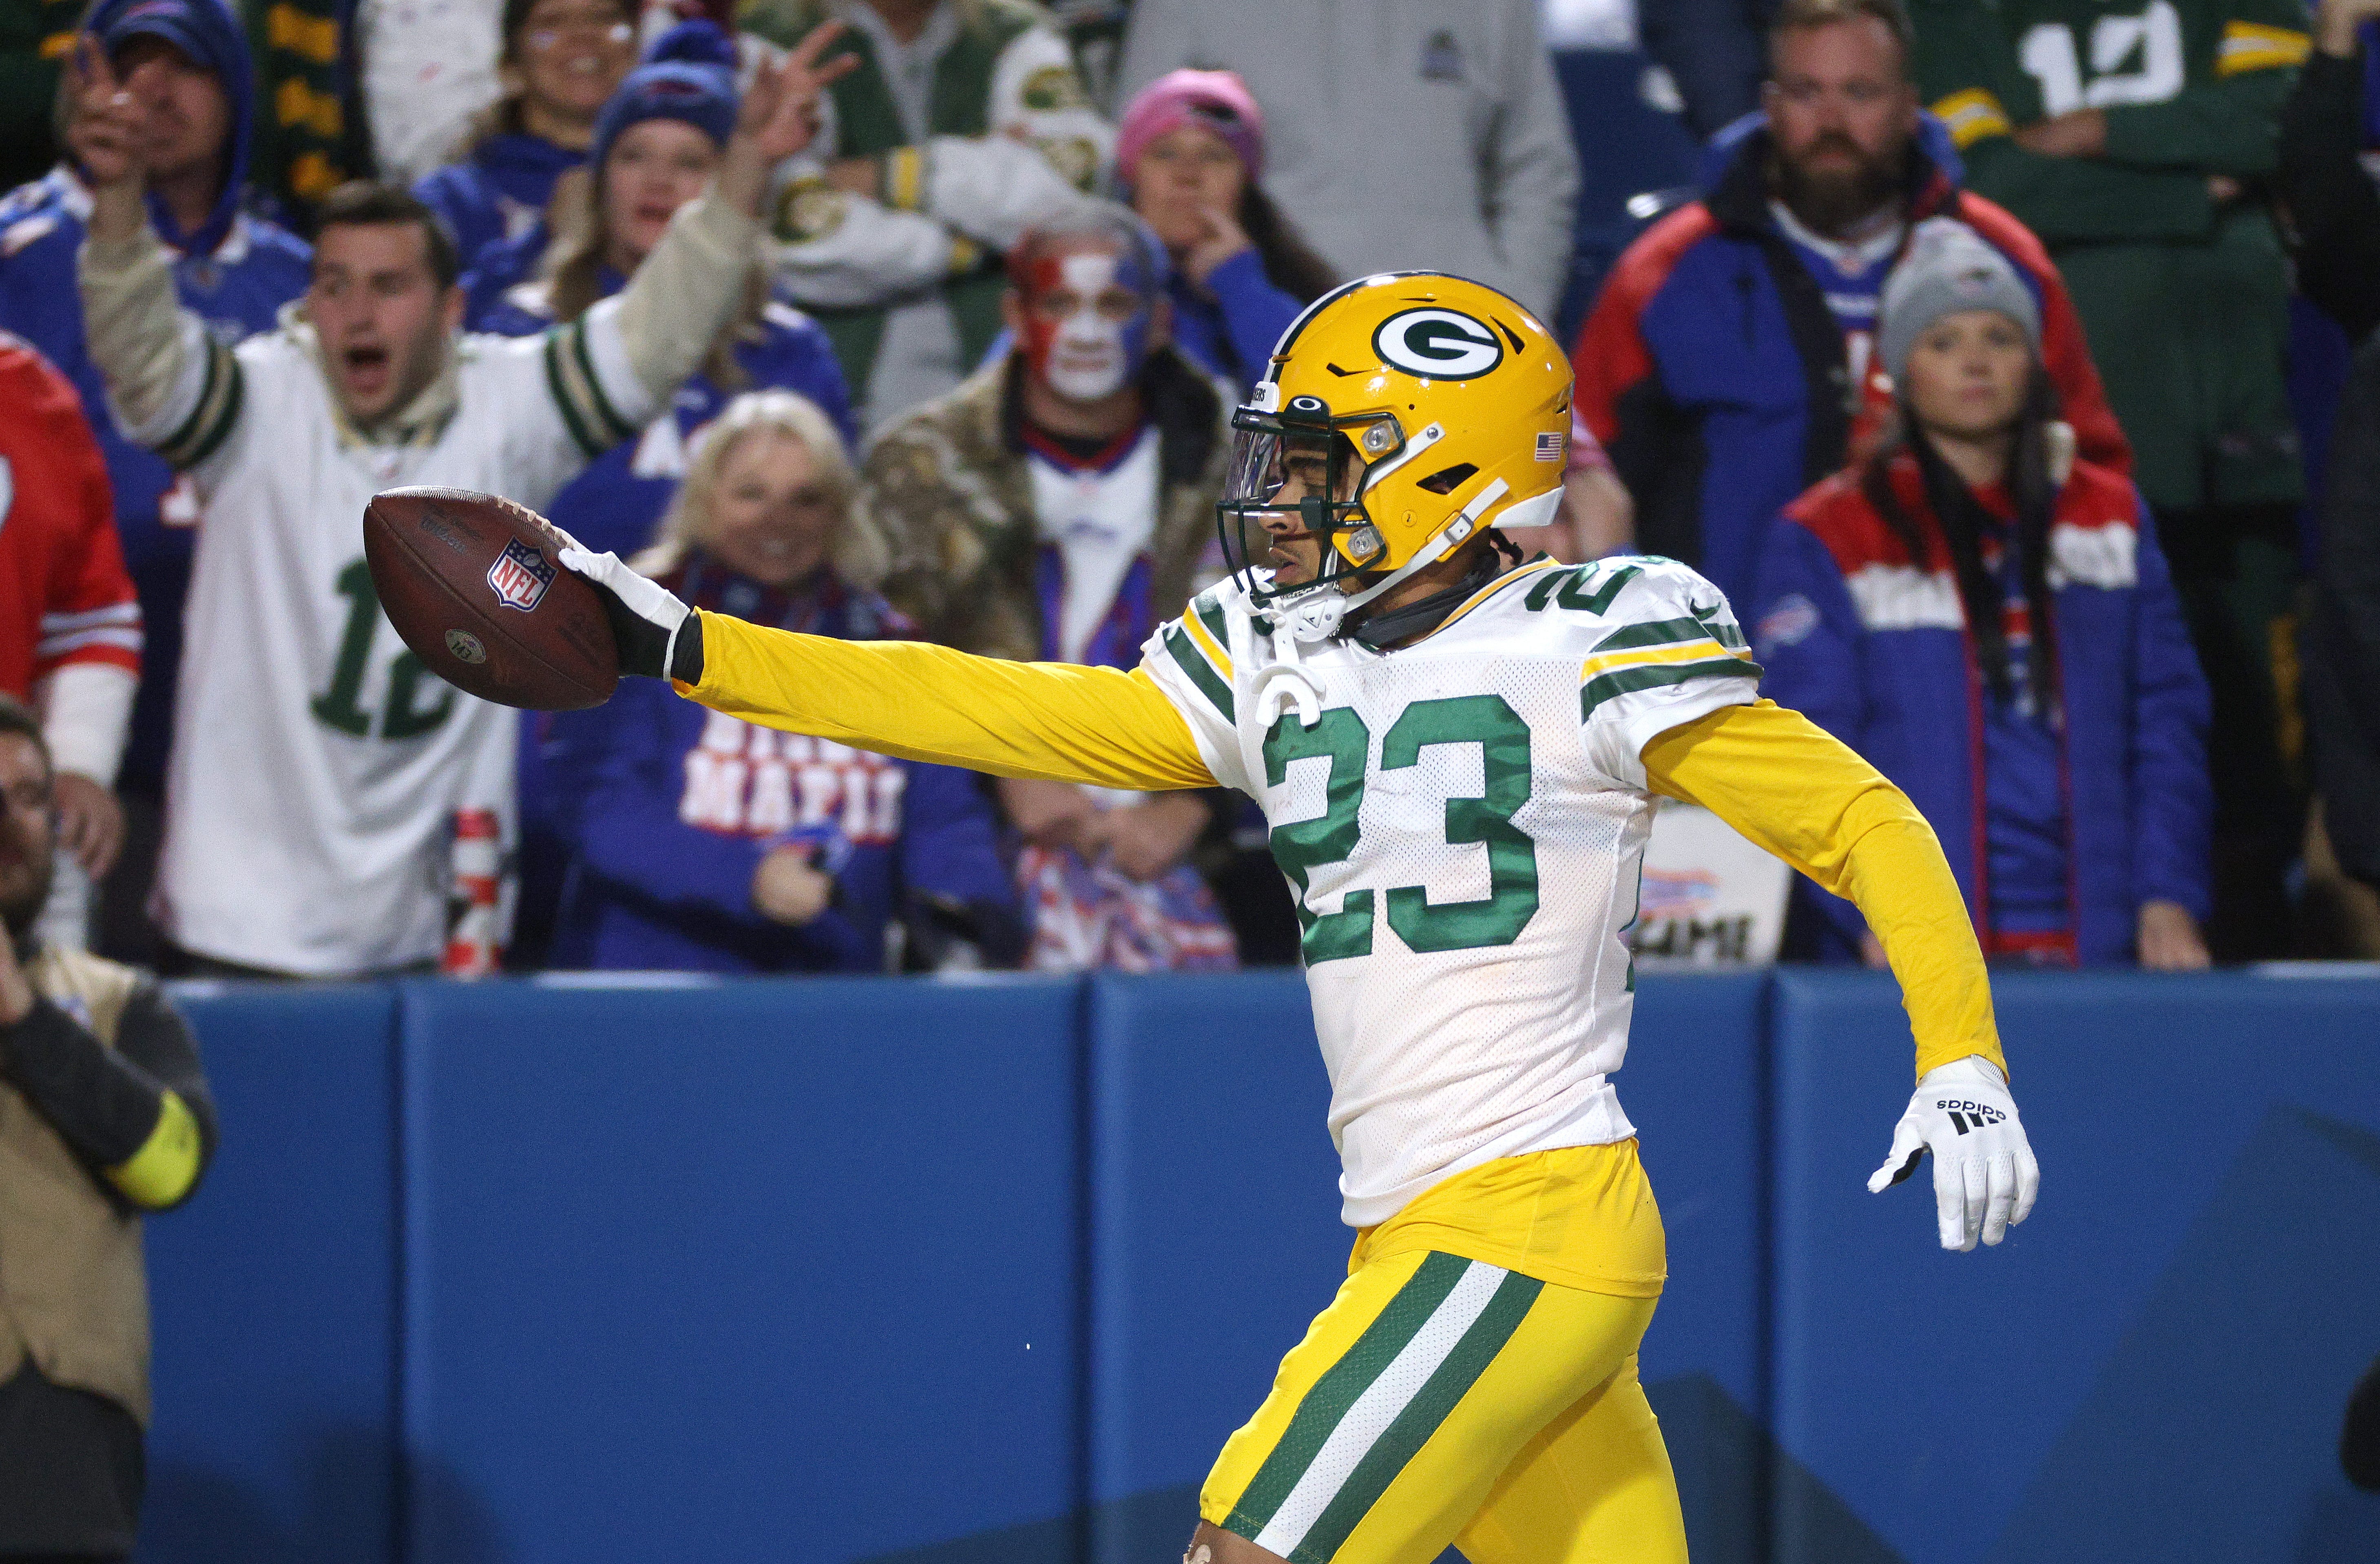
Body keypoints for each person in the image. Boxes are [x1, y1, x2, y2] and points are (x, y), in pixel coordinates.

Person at [563, 266, 2041, 1562]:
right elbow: (998, 707)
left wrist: (1957, 1049)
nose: (1281, 492)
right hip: (1423, 1227)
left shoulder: (1593, 634)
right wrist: (687, 645)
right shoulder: (1279, 649)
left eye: (1325, 460)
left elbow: (1859, 817)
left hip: (1522, 1222)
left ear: (1444, 470)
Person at [70, 20, 854, 979]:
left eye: (389, 287)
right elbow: (144, 357)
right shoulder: (255, 401)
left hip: (429, 913)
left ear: (449, 308)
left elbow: (658, 328)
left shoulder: (509, 404)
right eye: (334, 286)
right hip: (237, 905)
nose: (356, 314)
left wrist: (742, 172)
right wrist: (117, 206)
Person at [1911, 0, 2311, 958]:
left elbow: (2277, 126)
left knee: (2257, 773)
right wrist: (2188, 193)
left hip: (2232, 437)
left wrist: (2091, 134)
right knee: (2065, 745)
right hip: (2054, 457)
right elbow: (1989, 179)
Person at [1752, 220, 2212, 968]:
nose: (1975, 362)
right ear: (1900, 370)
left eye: (1999, 337)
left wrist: (2170, 896)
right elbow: (1805, 757)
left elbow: (2166, 728)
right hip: (1912, 944)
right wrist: (1865, 909)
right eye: (1942, 342)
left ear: (2033, 360)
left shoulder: (2112, 517)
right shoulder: (1827, 534)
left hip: (2103, 938)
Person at [1571, 0, 2126, 609]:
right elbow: (1586, 482)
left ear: (1911, 106)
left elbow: (2092, 474)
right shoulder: (1667, 272)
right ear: (1771, 105)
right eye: (1807, 93)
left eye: (1860, 92)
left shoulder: (2001, 259)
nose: (1832, 121)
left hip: (1960, 671)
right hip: (1728, 672)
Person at [0, 0, 310, 966]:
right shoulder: (17, 252)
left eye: (188, 68)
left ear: (240, 90)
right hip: (79, 718)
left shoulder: (304, 278)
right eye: (131, 68)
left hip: (258, 719)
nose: (157, 94)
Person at [855, 203, 1240, 971]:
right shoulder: (916, 464)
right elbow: (880, 666)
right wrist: (1002, 765)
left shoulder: (1240, 469)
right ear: (1015, 315)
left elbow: (1304, 650)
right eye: (1061, 303)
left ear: (1161, 321)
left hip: (1197, 840)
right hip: (973, 839)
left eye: (1116, 305)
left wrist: (1202, 804)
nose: (1089, 332)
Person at [544, 389, 1020, 972]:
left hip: (840, 1006)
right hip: (660, 999)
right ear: (704, 502)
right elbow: (597, 811)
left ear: (840, 513)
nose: (779, 523)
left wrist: (963, 915)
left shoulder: (890, 647)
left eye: (807, 500)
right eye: (752, 494)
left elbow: (944, 817)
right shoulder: (632, 629)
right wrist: (748, 877)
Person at [469, 27, 858, 557]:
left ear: (730, 188)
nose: (659, 180)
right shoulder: (527, 330)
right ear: (601, 182)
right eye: (634, 156)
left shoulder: (790, 348)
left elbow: (831, 534)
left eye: (691, 163)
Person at [0, 691, 215, 1564]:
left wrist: (25, 1021)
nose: (8, 822)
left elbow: (172, 1169)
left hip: (64, 1446)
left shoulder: (122, 1001)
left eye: (28, 796)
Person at [740, 0, 1113, 429]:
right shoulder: (771, 37)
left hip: (1005, 389)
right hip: (823, 394)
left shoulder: (1015, 32)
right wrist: (977, 239)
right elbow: (800, 235)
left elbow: (1065, 194)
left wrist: (887, 177)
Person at [1117, 0, 1580, 323]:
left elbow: (1537, 165)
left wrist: (1517, 310)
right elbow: (1139, 159)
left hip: (1457, 330)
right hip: (1264, 335)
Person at [0, 333, 137, 960]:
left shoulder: (32, 394)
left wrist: (78, 760)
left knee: (47, 1041)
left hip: (10, 826)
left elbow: (90, 616)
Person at [1110, 67, 1334, 395]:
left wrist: (1240, 285)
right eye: (1166, 154)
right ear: (1132, 177)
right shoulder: (1078, 283)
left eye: (1213, 156)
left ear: (1245, 185)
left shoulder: (1305, 298)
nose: (1187, 175)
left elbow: (1320, 398)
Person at [411, 0, 640, 277]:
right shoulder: (451, 202)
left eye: (605, 19)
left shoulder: (677, 181)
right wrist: (546, 244)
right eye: (551, 24)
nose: (584, 35)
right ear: (510, 68)